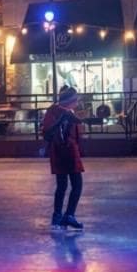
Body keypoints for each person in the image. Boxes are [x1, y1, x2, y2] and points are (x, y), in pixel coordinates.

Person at [40, 85, 85, 230]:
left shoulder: (66, 112)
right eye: (75, 100)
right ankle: (64, 215)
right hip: (63, 151)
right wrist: (62, 119)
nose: (77, 102)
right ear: (70, 101)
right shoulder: (57, 111)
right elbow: (47, 133)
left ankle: (61, 216)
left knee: (65, 185)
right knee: (74, 184)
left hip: (68, 151)